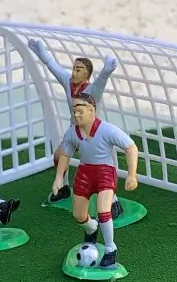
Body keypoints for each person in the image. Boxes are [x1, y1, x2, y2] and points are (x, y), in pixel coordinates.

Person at [29, 39, 118, 203]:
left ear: (87, 74)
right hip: (74, 129)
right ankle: (63, 187)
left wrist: (106, 71)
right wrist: (44, 56)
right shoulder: (68, 83)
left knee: (97, 166)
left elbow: (101, 81)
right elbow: (54, 67)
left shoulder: (92, 89)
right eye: (73, 69)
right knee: (59, 156)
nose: (74, 73)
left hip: (92, 132)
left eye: (79, 70)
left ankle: (113, 201)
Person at [57, 96, 140, 270]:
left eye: (80, 111)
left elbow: (131, 147)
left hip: (104, 172)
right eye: (74, 111)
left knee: (103, 211)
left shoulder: (107, 130)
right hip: (84, 173)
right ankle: (91, 228)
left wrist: (132, 175)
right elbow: (65, 154)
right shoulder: (72, 133)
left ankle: (110, 249)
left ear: (91, 110)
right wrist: (58, 178)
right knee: (78, 216)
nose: (76, 115)